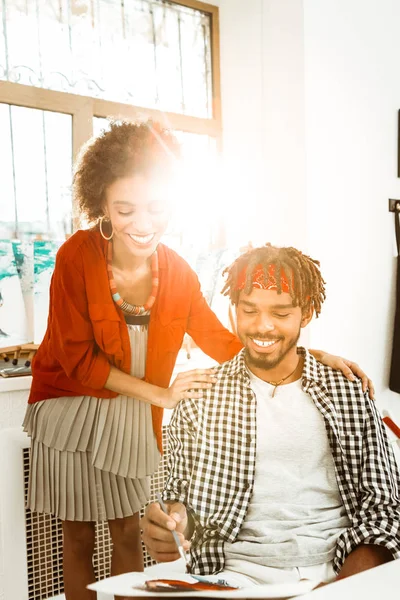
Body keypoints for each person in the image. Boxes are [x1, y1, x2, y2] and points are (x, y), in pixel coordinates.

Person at [23, 122, 373, 600]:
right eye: (124, 209)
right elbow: (75, 360)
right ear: (100, 204)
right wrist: (163, 395)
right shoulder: (74, 256)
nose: (141, 223)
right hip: (70, 407)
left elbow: (228, 342)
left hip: (129, 412)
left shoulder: (177, 271)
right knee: (79, 533)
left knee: (127, 530)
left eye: (156, 208)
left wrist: (310, 355)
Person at [141, 243, 400, 588]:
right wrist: (169, 525)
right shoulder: (199, 397)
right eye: (249, 310)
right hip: (230, 578)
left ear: (305, 313)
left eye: (280, 314)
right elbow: (181, 502)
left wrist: (340, 588)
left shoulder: (347, 390)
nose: (263, 327)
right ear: (233, 310)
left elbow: (385, 507)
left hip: (337, 572)